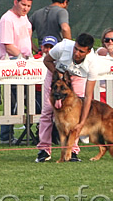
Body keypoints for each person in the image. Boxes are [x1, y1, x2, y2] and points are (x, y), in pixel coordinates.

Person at [36, 33, 99, 163]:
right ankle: (44, 149)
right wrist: (57, 74)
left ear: (88, 51)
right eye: (76, 48)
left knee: (75, 115)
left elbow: (87, 97)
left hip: (77, 78)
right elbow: (46, 60)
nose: (76, 53)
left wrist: (82, 122)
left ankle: (73, 151)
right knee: (48, 110)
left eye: (81, 51)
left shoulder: (92, 64)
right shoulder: (62, 47)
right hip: (56, 75)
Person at [0, 0, 33, 144]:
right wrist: (22, 58)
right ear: (15, 2)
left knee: (27, 98)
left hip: (25, 63)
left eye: (28, 6)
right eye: (23, 4)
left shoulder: (25, 18)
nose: (25, 8)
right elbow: (8, 45)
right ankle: (6, 135)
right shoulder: (7, 19)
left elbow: (27, 38)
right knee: (12, 100)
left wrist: (31, 55)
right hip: (12, 64)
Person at [96, 28, 113, 103]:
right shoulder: (100, 53)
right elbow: (101, 51)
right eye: (107, 40)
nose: (110, 42)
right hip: (101, 92)